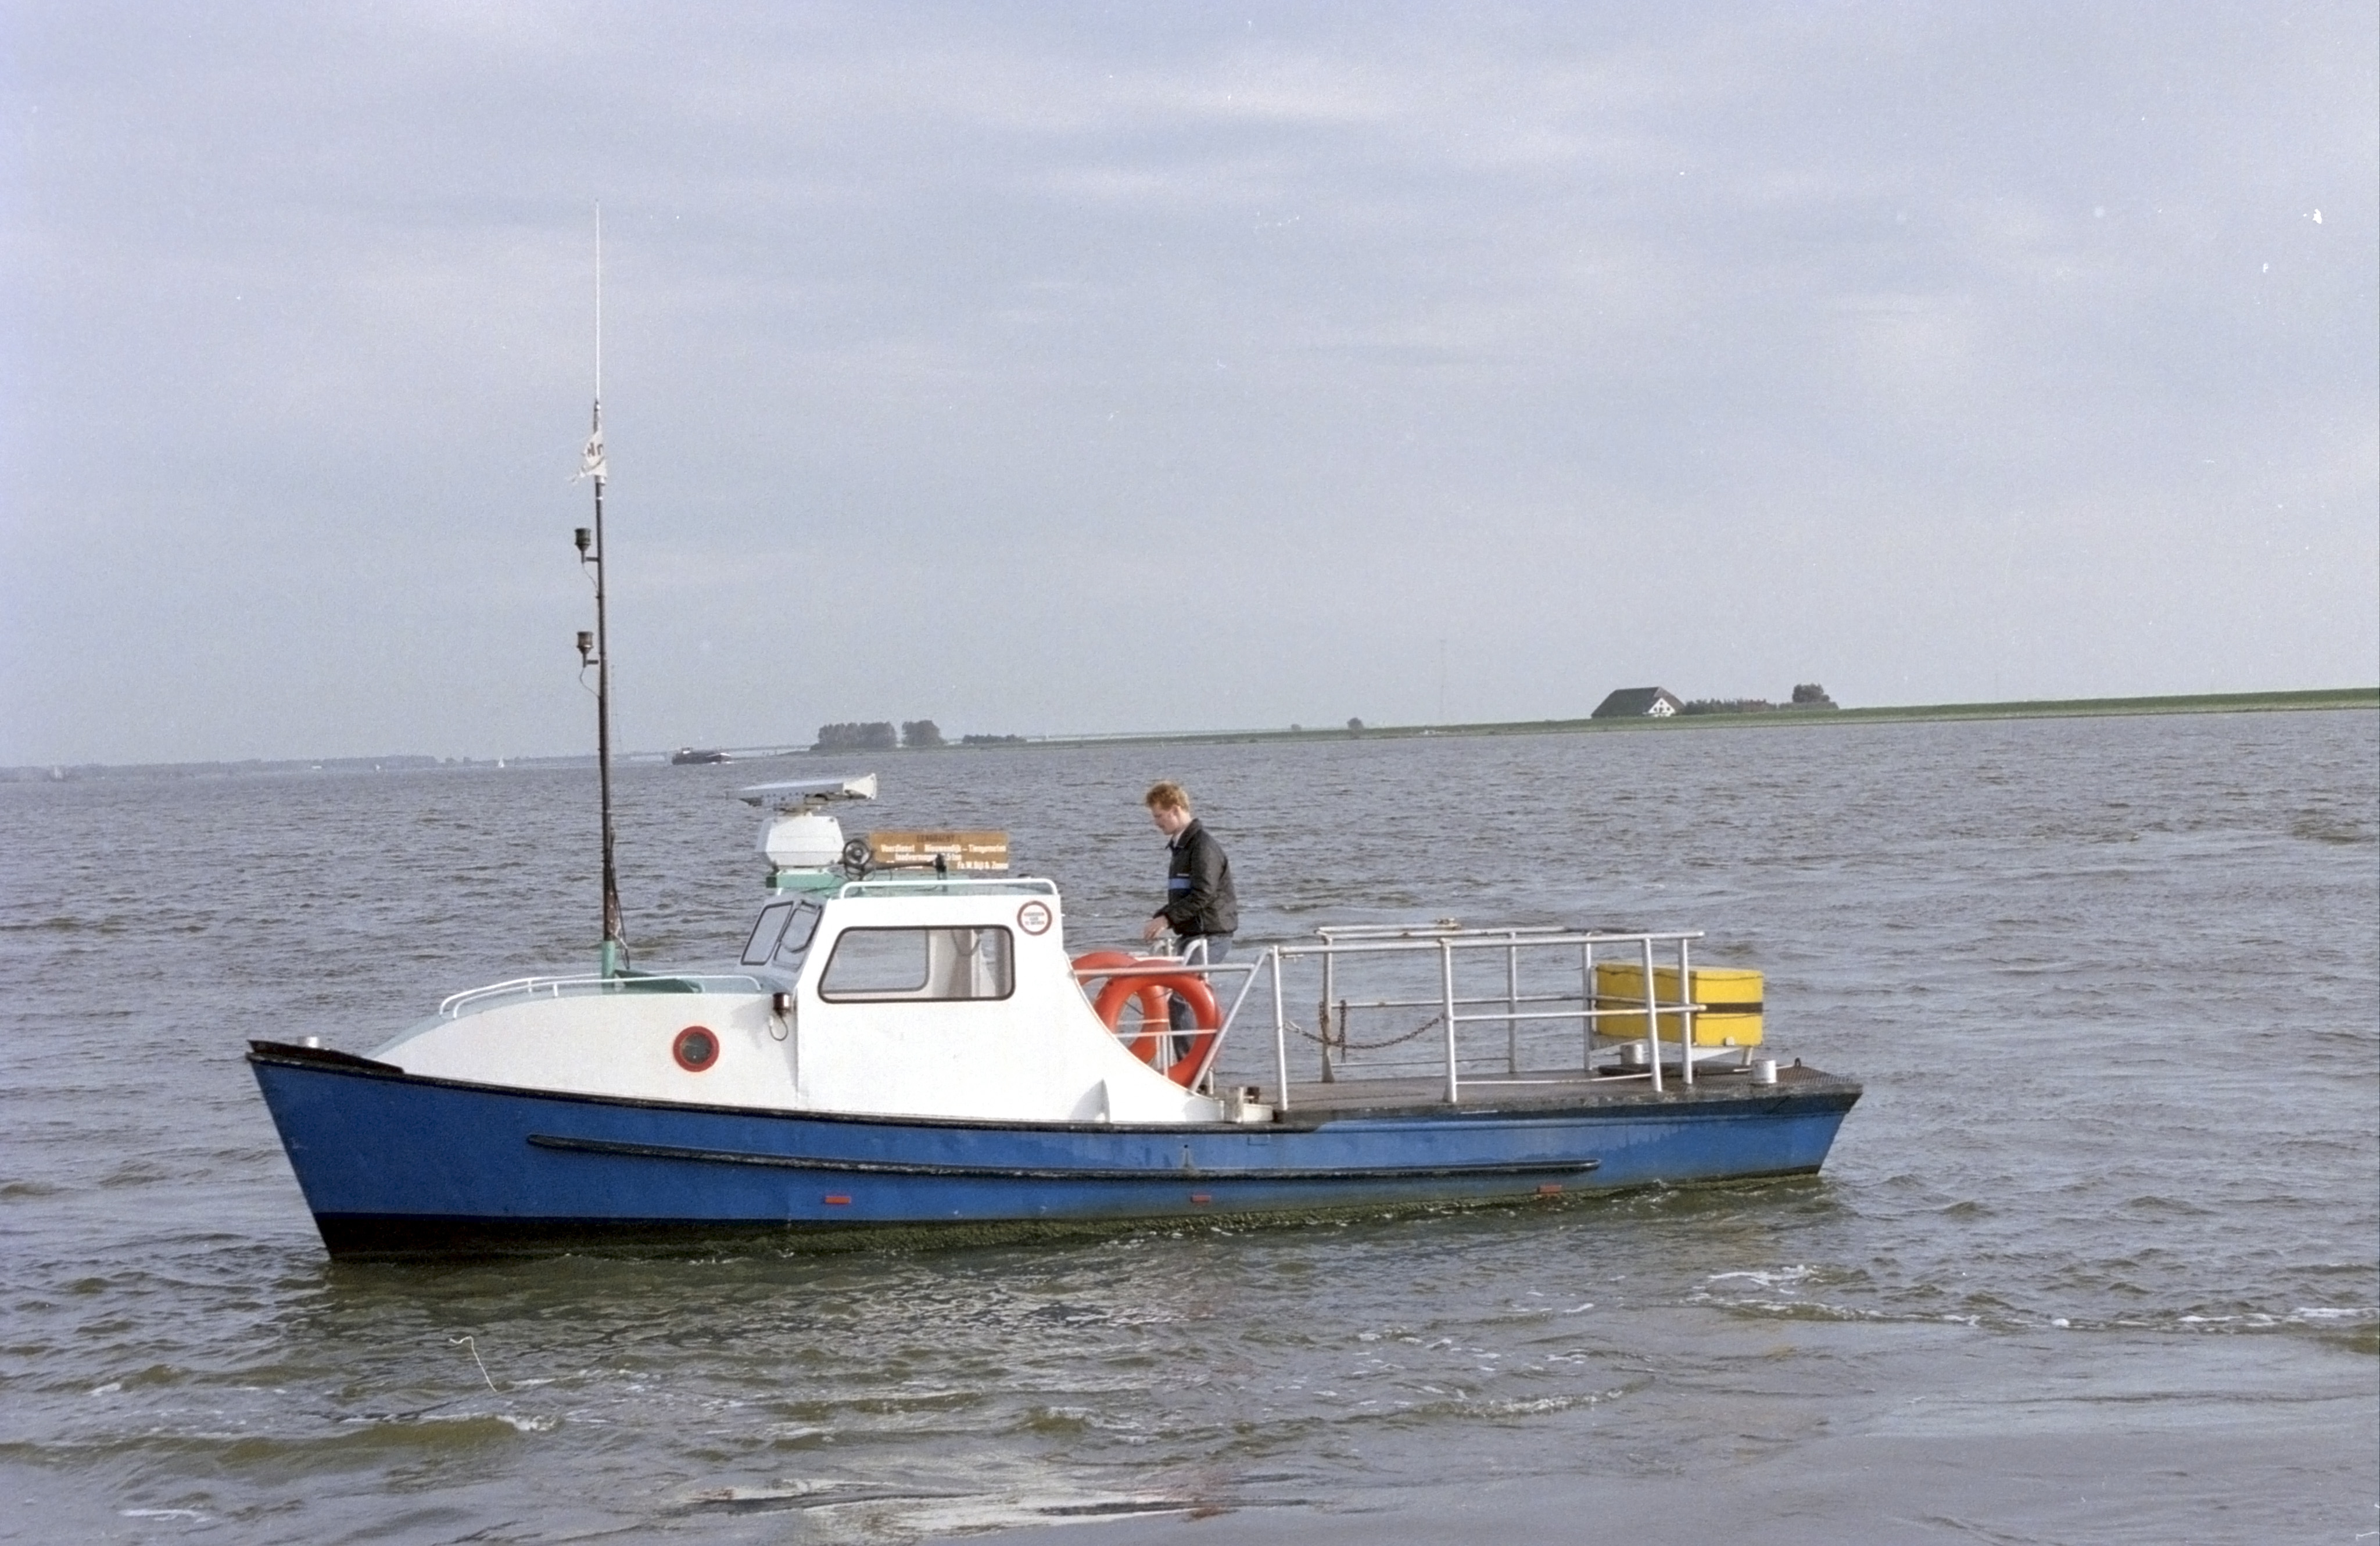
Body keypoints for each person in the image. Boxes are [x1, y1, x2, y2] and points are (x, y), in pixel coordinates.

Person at [1138, 781, 1238, 1055]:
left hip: (1211, 935)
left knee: (1181, 997)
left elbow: (1203, 894)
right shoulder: (1181, 847)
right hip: (1192, 934)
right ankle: (1197, 1063)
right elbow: (1185, 896)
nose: (1156, 823)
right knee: (1182, 994)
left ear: (1175, 810)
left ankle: (1192, 1067)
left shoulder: (1202, 846)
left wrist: (1166, 920)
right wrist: (1163, 915)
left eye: (1159, 816)